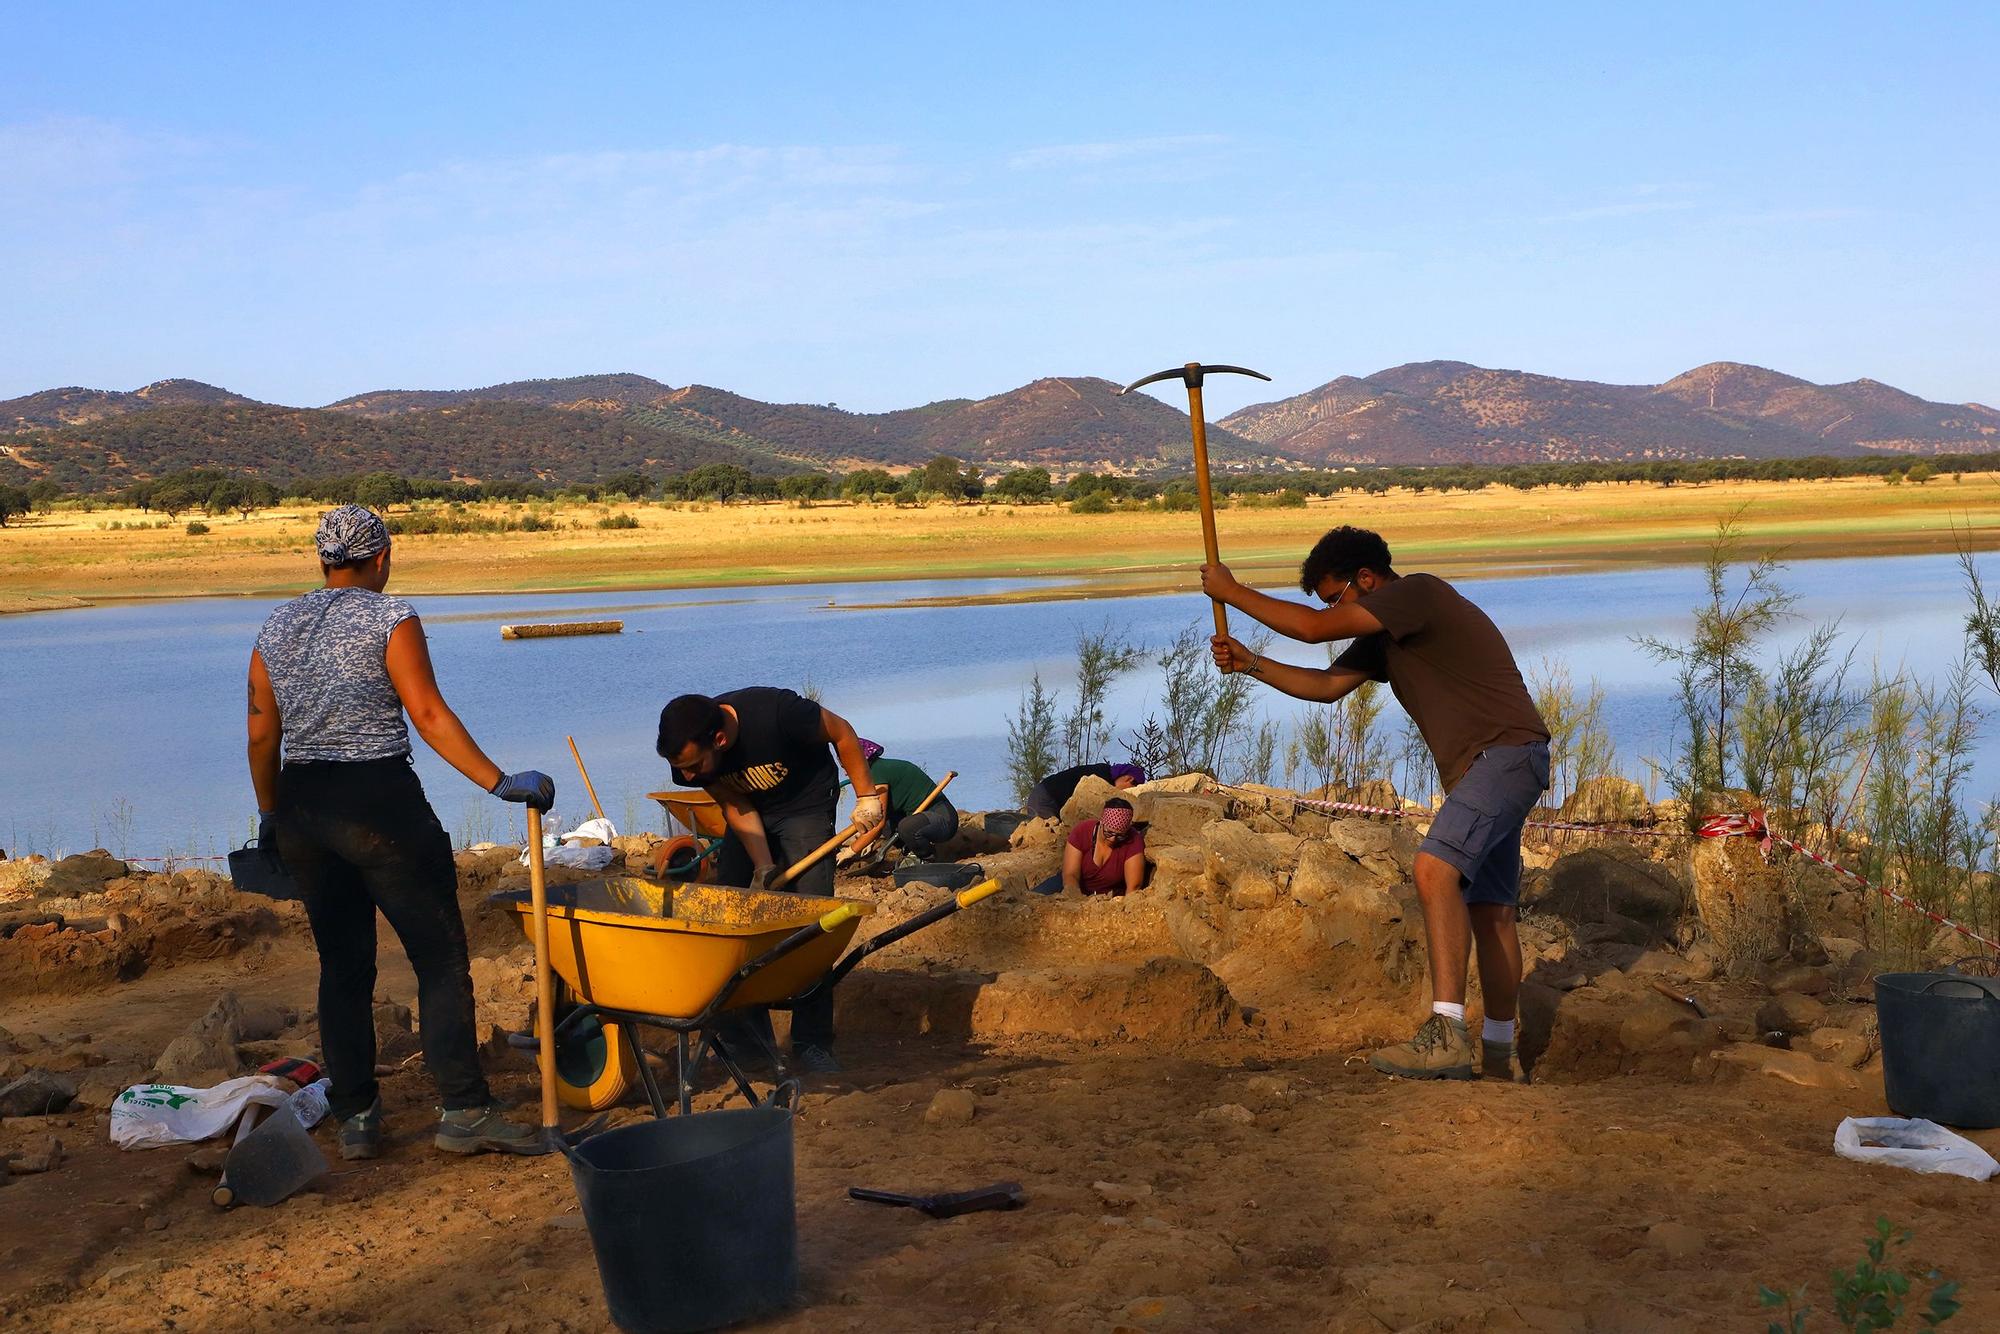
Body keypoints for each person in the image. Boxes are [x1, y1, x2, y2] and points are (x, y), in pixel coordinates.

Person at [246, 504, 556, 1160]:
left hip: (303, 806)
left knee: (343, 965)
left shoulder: (278, 623)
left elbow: (261, 732)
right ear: (381, 557)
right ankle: (465, 1112)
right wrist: (499, 782)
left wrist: (273, 814)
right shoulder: (392, 617)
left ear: (323, 559)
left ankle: (357, 1118)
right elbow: (426, 712)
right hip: (378, 803)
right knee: (439, 958)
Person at [1202, 525, 1550, 1083]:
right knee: (1493, 912)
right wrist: (1249, 664)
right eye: (1329, 603)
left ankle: (1445, 1036)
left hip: (1502, 758)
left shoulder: (1419, 595)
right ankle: (1500, 1057)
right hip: (1497, 767)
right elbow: (1325, 686)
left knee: (1435, 868)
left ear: (1367, 579)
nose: (1332, 613)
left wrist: (1231, 590)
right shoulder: (1387, 636)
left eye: (1337, 598)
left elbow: (1313, 631)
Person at [656, 688, 885, 1074]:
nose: (688, 776)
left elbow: (842, 732)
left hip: (806, 806)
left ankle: (812, 1042)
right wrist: (763, 867)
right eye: (684, 770)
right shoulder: (686, 756)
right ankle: (749, 1040)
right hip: (751, 813)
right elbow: (734, 804)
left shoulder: (777, 713)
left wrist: (866, 797)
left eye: (694, 766)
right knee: (728, 916)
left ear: (720, 739)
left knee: (813, 921)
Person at [842, 740, 957, 865]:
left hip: (943, 820)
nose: (845, 773)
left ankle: (926, 858)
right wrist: (868, 839)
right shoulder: (874, 772)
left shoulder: (878, 773)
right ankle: (911, 850)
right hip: (919, 818)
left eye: (846, 766)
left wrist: (851, 850)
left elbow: (878, 824)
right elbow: (877, 818)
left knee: (906, 827)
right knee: (889, 825)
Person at [1030, 797, 1147, 897]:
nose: (1113, 839)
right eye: (1109, 833)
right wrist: (1076, 900)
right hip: (1075, 885)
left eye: (1120, 836)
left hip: (1109, 895)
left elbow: (1133, 887)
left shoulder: (1133, 840)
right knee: (1035, 898)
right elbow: (1070, 875)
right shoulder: (1082, 831)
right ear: (1101, 822)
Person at [1023, 761, 1146, 820]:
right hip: (1046, 798)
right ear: (1128, 778)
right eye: (1131, 788)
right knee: (1048, 835)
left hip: (1046, 795)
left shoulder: (1103, 771)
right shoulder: (1102, 780)